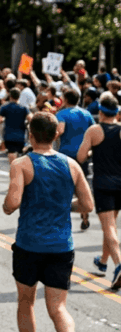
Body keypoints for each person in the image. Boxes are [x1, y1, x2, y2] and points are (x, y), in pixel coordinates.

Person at [2, 112, 91, 332]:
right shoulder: (72, 165)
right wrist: (64, 206)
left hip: (29, 244)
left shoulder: (21, 164)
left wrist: (9, 202)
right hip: (61, 246)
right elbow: (87, 205)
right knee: (58, 307)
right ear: (56, 135)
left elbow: (11, 204)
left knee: (26, 301)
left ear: (30, 134)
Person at [76, 94, 121, 288]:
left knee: (108, 226)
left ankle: (118, 264)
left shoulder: (94, 130)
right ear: (117, 113)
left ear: (101, 112)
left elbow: (80, 156)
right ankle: (103, 261)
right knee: (110, 225)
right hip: (120, 183)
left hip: (103, 183)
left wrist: (94, 150)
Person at [55, 89, 95, 230]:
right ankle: (84, 215)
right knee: (81, 185)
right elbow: (93, 130)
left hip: (65, 155)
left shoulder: (62, 114)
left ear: (65, 99)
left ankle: (62, 218)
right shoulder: (86, 113)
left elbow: (60, 130)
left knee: (64, 186)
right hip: (83, 154)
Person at [0, 89, 30, 163]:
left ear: (10, 96)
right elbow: (31, 118)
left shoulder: (5, 107)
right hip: (21, 135)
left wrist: (5, 119)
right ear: (19, 96)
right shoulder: (24, 108)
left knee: (11, 152)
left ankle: (13, 168)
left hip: (9, 135)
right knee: (20, 154)